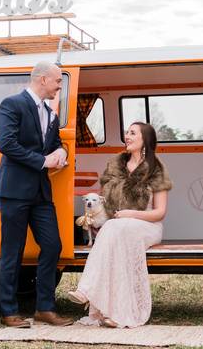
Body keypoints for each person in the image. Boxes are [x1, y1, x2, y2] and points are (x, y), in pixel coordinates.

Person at [66, 122, 173, 327]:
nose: (127, 136)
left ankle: (88, 290)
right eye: (127, 132)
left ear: (145, 141)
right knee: (115, 233)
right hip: (119, 226)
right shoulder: (115, 165)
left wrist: (130, 214)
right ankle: (111, 313)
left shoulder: (156, 169)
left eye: (133, 133)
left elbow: (160, 213)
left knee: (117, 228)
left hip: (148, 226)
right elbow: (104, 201)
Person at [0, 62, 74, 328]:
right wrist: (43, 161)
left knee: (52, 245)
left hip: (40, 193)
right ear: (42, 80)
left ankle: (45, 308)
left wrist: (61, 151)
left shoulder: (50, 113)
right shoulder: (11, 104)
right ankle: (9, 312)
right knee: (12, 251)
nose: (59, 87)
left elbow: (54, 143)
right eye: (57, 82)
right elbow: (6, 144)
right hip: (13, 191)